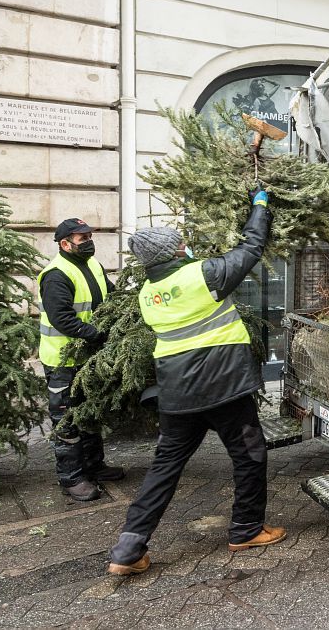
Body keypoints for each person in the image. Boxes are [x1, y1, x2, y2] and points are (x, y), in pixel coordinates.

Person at [106, 188, 285, 576]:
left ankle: (128, 548)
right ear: (173, 252)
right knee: (249, 454)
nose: (186, 245)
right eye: (180, 243)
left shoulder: (147, 294)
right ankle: (246, 529)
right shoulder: (203, 275)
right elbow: (251, 247)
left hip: (177, 394)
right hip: (223, 387)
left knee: (165, 467)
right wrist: (259, 207)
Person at [38, 218, 125, 502]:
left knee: (90, 413)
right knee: (67, 419)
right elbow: (62, 318)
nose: (88, 241)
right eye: (81, 238)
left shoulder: (92, 265)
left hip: (88, 357)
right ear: (64, 244)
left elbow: (109, 296)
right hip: (63, 359)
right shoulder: (56, 274)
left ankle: (94, 466)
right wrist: (98, 335)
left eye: (89, 236)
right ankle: (72, 477)